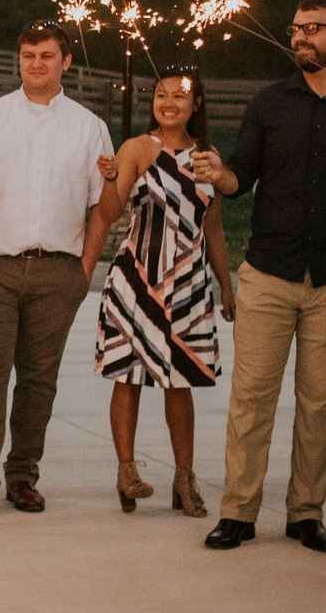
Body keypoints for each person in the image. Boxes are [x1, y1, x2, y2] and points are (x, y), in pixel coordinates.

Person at [195, 0, 326, 553]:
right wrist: (221, 174)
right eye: (296, 28)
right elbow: (243, 180)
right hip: (269, 272)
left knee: (319, 404)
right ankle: (237, 512)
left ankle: (306, 513)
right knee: (251, 400)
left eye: (314, 28)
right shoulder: (267, 104)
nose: (301, 37)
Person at [0, 20, 112, 521]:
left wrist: (83, 271)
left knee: (40, 380)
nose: (35, 63)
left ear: (65, 61)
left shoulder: (88, 126)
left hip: (57, 271)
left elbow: (102, 207)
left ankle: (24, 476)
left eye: (46, 55)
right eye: (27, 55)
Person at [92, 69, 234, 519]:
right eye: (160, 95)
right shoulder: (136, 148)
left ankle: (184, 478)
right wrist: (112, 178)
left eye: (179, 96)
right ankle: (126, 472)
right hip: (136, 279)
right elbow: (110, 212)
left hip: (189, 284)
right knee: (127, 377)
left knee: (181, 382)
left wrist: (225, 286)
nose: (168, 102)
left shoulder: (207, 157)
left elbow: (213, 226)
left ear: (197, 104)